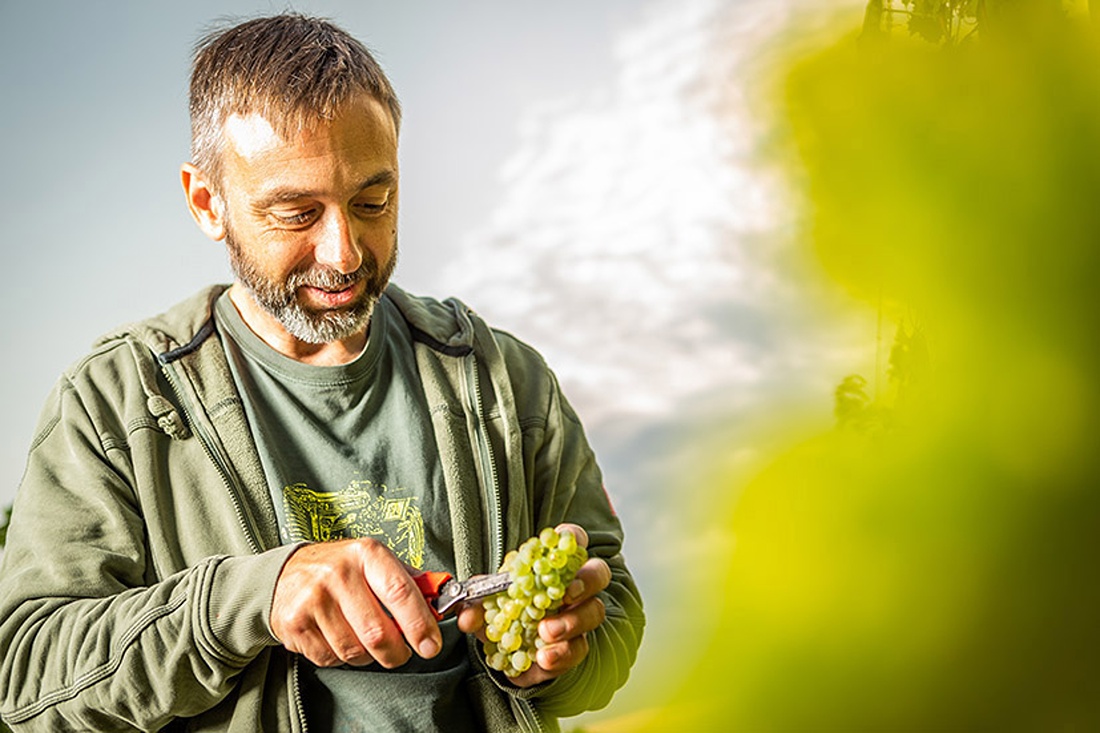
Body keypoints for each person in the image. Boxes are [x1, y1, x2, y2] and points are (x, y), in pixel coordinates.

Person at [0, 14, 644, 732]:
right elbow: (27, 679)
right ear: (207, 203)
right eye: (296, 212)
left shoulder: (507, 381)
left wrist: (562, 653)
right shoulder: (112, 403)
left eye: (373, 202)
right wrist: (251, 597)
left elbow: (612, 617)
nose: (343, 252)